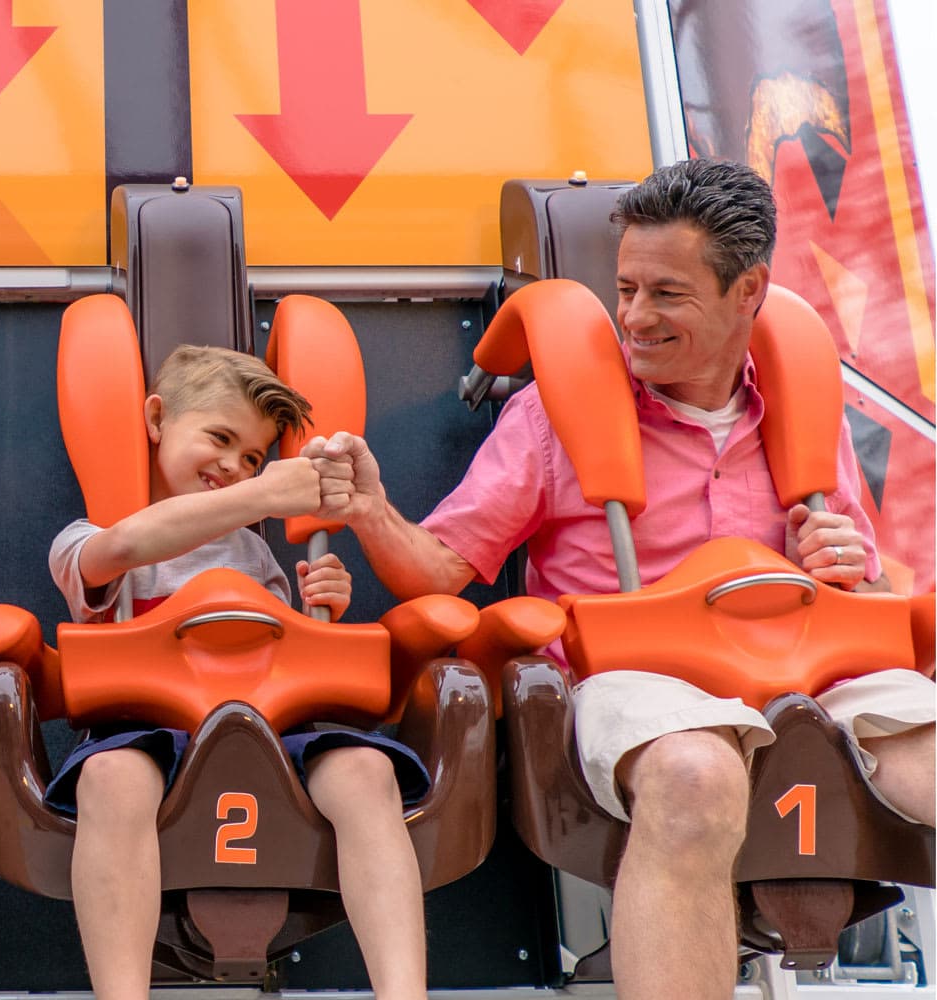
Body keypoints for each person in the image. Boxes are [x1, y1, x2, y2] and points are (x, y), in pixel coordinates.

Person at [324, 158, 935, 999]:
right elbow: (440, 569)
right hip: (642, 684)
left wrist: (838, 571)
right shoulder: (552, 413)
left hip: (811, 668)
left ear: (748, 291)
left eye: (667, 295)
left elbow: (866, 598)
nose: (635, 318)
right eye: (626, 289)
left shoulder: (803, 408)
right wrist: (369, 510)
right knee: (697, 776)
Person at [48, 345, 432, 1000]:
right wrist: (264, 491)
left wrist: (323, 612)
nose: (234, 466)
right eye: (220, 438)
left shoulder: (257, 554)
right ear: (156, 417)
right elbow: (122, 548)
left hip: (271, 729)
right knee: (110, 780)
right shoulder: (94, 536)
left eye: (253, 457)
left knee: (368, 773)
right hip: (147, 731)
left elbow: (297, 657)